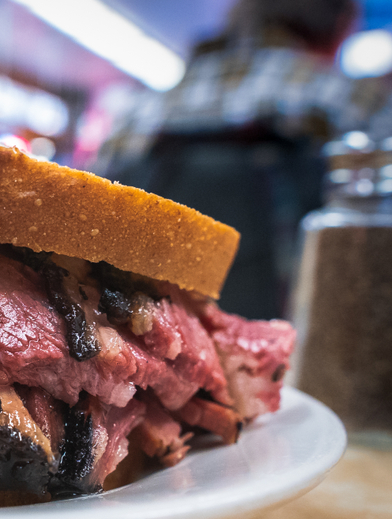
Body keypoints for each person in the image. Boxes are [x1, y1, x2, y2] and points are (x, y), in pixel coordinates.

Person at [94, 0, 392, 319]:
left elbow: (93, 222)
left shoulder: (138, 110)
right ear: (339, 26)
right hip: (297, 340)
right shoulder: (353, 99)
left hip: (143, 331)